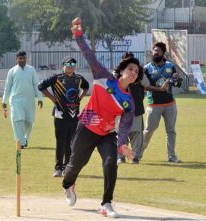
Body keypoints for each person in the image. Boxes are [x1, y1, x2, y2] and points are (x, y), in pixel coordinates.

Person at [62, 17, 139, 218]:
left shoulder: (129, 102)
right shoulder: (103, 76)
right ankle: (68, 185)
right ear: (122, 71)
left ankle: (106, 203)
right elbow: (88, 54)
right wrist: (78, 34)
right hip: (87, 126)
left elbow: (124, 126)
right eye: (130, 69)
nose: (133, 72)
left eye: (137, 71)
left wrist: (121, 144)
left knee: (110, 163)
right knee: (74, 165)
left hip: (106, 133)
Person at [38, 56, 89, 177]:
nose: (71, 66)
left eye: (73, 64)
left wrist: (80, 98)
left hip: (74, 115)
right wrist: (53, 99)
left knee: (71, 143)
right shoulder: (57, 78)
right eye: (68, 64)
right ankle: (58, 168)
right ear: (63, 66)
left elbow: (86, 87)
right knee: (60, 142)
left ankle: (67, 167)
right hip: (60, 114)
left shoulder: (79, 78)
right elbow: (41, 86)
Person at [141, 42, 182, 163]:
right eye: (154, 50)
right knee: (149, 130)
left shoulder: (170, 66)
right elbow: (144, 86)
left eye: (158, 50)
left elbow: (176, 82)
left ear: (163, 53)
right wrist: (159, 89)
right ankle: (138, 153)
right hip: (154, 104)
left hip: (170, 103)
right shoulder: (147, 68)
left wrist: (177, 80)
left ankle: (172, 156)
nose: (155, 52)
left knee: (171, 131)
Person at [2, 50, 43, 148]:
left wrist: (40, 98)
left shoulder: (31, 69)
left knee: (29, 121)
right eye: (20, 58)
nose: (22, 60)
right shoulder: (12, 71)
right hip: (16, 100)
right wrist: (4, 100)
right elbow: (7, 86)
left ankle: (25, 138)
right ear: (16, 59)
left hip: (29, 100)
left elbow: (36, 84)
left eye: (24, 58)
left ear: (26, 59)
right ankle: (21, 142)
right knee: (17, 120)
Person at [116, 52, 150, 164]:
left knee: (136, 134)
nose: (131, 70)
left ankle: (135, 157)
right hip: (120, 111)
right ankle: (121, 156)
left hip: (136, 110)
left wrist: (139, 72)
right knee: (121, 134)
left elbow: (146, 83)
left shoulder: (138, 74)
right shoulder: (116, 74)